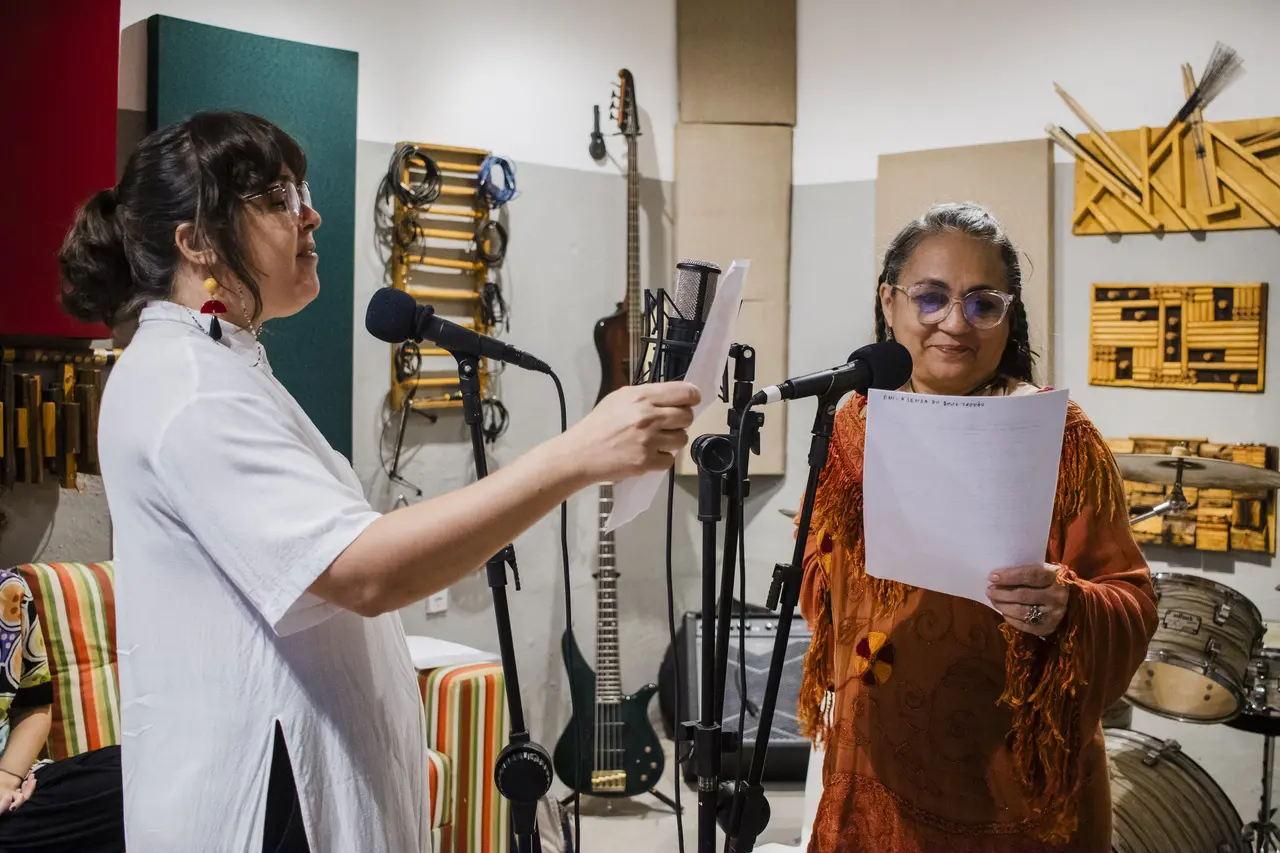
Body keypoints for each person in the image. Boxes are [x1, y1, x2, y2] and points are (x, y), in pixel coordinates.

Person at [57, 110, 699, 853]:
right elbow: (365, 571)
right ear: (197, 242)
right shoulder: (190, 386)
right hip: (266, 802)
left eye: (300, 189)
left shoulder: (217, 364)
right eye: (275, 199)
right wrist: (575, 455)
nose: (310, 213)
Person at [796, 202, 1157, 853]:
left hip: (1007, 794)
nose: (953, 324)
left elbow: (1130, 599)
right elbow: (821, 571)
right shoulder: (853, 420)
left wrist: (1067, 605)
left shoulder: (1059, 440)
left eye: (982, 303)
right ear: (889, 301)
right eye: (930, 298)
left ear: (1008, 314)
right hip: (870, 764)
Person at [0, 569, 122, 852]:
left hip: (14, 786)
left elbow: (35, 707)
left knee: (132, 773)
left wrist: (6, 779)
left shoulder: (10, 592)